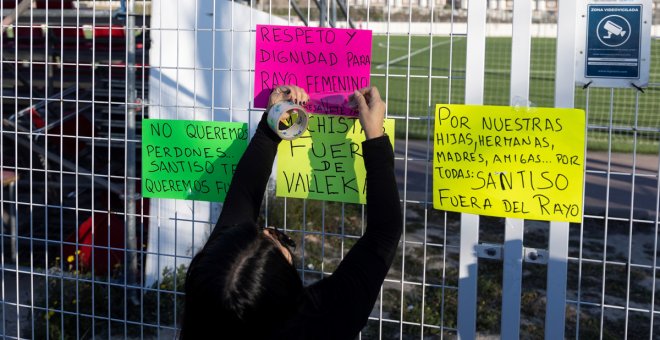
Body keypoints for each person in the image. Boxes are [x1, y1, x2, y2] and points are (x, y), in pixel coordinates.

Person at [181, 85, 402, 339]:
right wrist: (374, 135)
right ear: (285, 284)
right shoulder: (321, 319)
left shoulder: (207, 303)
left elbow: (243, 197)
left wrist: (272, 123)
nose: (268, 230)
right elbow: (384, 232)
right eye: (281, 242)